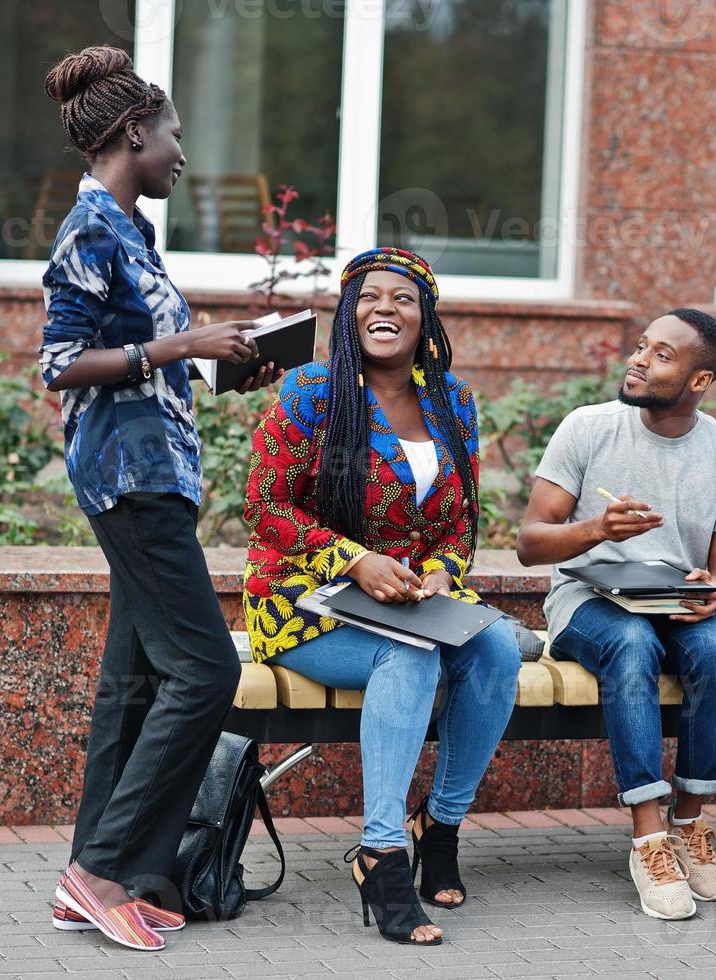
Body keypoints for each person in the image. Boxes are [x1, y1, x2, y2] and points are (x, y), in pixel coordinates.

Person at [37, 45, 280, 952]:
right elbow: (61, 363)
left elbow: (143, 360)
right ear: (134, 132)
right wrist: (181, 349)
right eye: (173, 133)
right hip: (127, 479)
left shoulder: (132, 232)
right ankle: (100, 873)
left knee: (133, 683)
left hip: (156, 471)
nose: (181, 151)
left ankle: (107, 877)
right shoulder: (91, 229)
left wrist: (225, 364)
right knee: (207, 671)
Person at [242, 247, 521, 946]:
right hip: (303, 599)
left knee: (494, 651)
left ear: (424, 316)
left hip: (405, 598)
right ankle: (381, 850)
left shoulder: (452, 401)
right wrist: (353, 559)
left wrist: (440, 573)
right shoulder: (313, 390)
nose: (384, 309)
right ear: (348, 314)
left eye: (401, 298)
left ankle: (441, 826)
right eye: (369, 298)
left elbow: (461, 520)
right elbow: (264, 504)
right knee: (412, 659)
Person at [515, 309, 716, 921]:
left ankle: (690, 821)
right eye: (642, 346)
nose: (640, 359)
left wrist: (714, 592)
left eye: (662, 355)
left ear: (700, 381)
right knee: (630, 643)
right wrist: (597, 529)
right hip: (586, 601)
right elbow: (530, 543)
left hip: (674, 603)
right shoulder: (589, 428)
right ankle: (649, 839)